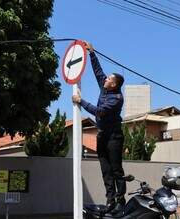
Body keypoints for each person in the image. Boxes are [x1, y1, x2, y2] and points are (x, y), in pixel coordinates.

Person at [72, 41, 126, 213]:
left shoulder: (116, 98)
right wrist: (92, 53)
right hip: (102, 135)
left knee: (116, 169)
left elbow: (100, 112)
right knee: (105, 170)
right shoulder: (105, 86)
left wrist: (81, 101)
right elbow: (98, 72)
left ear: (114, 84)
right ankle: (110, 201)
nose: (106, 79)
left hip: (114, 137)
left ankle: (120, 200)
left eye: (109, 79)